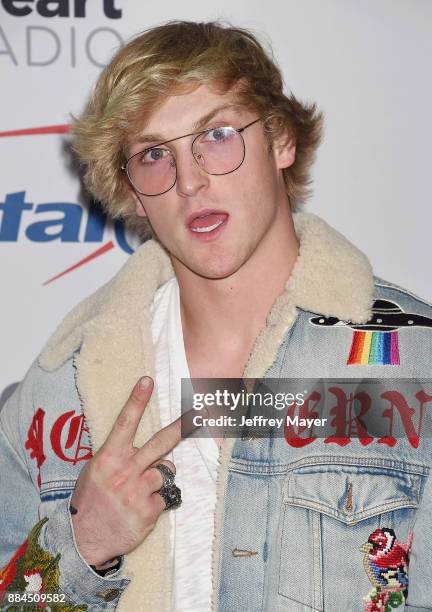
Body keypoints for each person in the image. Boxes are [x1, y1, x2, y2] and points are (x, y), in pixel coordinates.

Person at [0, 20, 431, 612]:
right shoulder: (58, 389)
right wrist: (83, 546)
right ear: (130, 189)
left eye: (218, 135)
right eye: (155, 154)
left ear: (280, 139)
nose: (190, 181)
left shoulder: (414, 364)